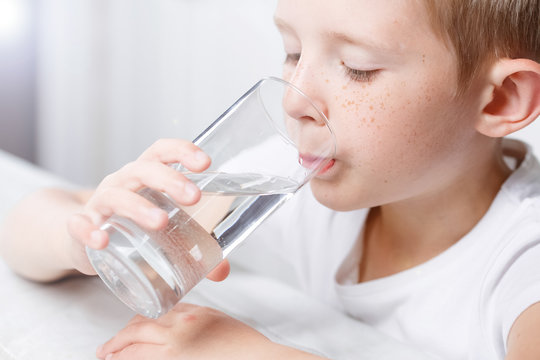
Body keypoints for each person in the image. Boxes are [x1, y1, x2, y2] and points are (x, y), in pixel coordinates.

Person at [1, 0, 540, 359]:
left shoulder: (523, 259)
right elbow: (23, 227)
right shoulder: (305, 185)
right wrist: (83, 237)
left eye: (357, 66)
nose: (293, 98)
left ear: (500, 98)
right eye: (293, 52)